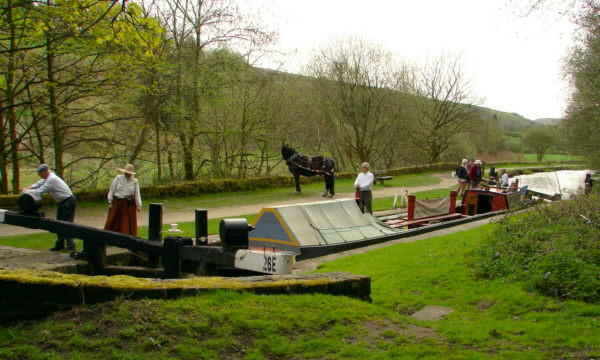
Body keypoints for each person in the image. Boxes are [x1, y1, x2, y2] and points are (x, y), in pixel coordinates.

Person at [22, 164, 77, 251]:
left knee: (67, 224)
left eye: (40, 173)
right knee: (60, 223)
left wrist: (27, 192)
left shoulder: (51, 179)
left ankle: (70, 246)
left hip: (68, 201)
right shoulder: (47, 178)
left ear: (45, 171)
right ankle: (60, 244)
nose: (39, 175)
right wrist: (28, 188)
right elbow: (38, 184)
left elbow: (39, 191)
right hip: (63, 202)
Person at [104, 163, 142, 236]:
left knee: (126, 223)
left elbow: (137, 194)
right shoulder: (118, 178)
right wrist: (110, 202)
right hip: (117, 203)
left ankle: (126, 238)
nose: (127, 174)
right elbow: (112, 189)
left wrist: (139, 205)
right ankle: (110, 237)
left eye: (129, 173)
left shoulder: (135, 181)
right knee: (113, 221)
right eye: (126, 173)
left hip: (128, 205)